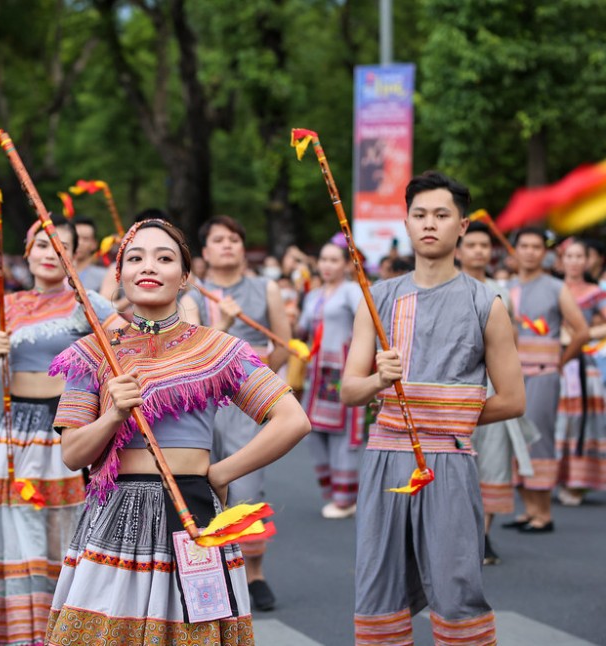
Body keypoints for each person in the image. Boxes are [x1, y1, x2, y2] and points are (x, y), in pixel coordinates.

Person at [45, 219, 310, 645]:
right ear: (120, 274)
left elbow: (293, 419)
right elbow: (73, 454)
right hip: (116, 517)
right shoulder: (92, 352)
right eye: (135, 258)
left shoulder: (216, 349)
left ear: (185, 277)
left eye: (164, 258)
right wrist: (112, 415)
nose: (148, 266)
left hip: (194, 515)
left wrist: (220, 474)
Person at [341, 172, 524, 645]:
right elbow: (349, 390)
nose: (430, 224)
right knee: (378, 587)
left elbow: (512, 398)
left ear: (462, 225)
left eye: (442, 215)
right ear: (405, 221)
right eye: (420, 215)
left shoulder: (487, 302)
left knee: (456, 586)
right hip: (385, 459)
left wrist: (443, 412)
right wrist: (380, 381)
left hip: (450, 459)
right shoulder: (377, 297)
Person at [0, 218, 119, 646]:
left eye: (61, 246)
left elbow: (124, 353)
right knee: (19, 531)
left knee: (67, 527)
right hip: (16, 430)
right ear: (27, 252)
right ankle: (26, 633)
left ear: (74, 255)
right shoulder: (4, 305)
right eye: (42, 245)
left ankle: (69, 631)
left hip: (69, 428)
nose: (51, 253)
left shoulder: (90, 305)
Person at [180, 214, 292, 611]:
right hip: (204, 402)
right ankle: (208, 572)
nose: (228, 245)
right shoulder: (192, 293)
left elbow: (283, 344)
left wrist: (260, 382)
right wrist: (222, 322)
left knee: (245, 487)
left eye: (234, 239)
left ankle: (255, 573)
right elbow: (193, 349)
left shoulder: (266, 288)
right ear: (205, 251)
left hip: (248, 401)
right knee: (199, 484)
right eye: (219, 240)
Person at [458, 221, 534, 565]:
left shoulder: (500, 293)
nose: (478, 251)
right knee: (455, 461)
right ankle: (456, 534)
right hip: (454, 388)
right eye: (471, 244)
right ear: (458, 249)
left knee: (493, 463)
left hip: (493, 389)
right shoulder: (447, 289)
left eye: (483, 245)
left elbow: (510, 347)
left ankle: (483, 535)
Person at [507, 227, 588, 533]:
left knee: (538, 439)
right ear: (515, 250)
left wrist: (559, 362)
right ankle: (528, 509)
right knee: (514, 440)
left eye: (536, 246)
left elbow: (580, 330)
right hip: (513, 375)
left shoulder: (556, 287)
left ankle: (543, 513)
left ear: (545, 252)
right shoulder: (509, 286)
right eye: (524, 245)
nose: (529, 251)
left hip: (543, 374)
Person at [296, 241, 364, 519]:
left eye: (334, 260)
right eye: (323, 259)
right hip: (317, 371)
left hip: (342, 368)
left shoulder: (352, 291)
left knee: (343, 432)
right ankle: (334, 491)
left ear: (347, 264)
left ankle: (345, 497)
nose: (327, 265)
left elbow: (367, 324)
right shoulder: (313, 295)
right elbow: (302, 329)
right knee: (313, 431)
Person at [554, 238, 606, 505]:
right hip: (551, 362)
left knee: (578, 423)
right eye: (568, 256)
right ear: (561, 261)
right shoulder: (550, 289)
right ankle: (549, 479)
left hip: (580, 366)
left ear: (587, 261)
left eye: (579, 256)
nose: (573, 262)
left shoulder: (594, 293)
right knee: (550, 422)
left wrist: (583, 335)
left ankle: (577, 483)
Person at [72, 215, 108, 292]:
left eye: (85, 239)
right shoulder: (57, 272)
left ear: (94, 244)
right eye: (76, 238)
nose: (79, 243)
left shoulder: (104, 275)